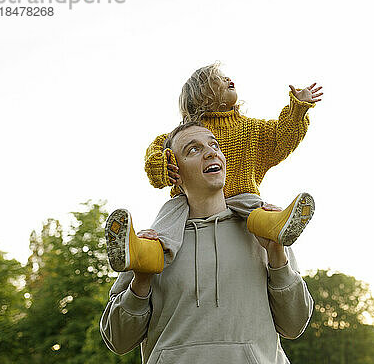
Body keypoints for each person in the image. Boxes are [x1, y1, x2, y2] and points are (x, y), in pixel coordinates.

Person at [100, 122, 314, 363]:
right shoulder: (154, 244)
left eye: (214, 145)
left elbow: (294, 325)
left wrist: (276, 254)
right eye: (193, 149)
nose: (211, 152)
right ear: (175, 172)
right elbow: (118, 340)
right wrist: (141, 280)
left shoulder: (266, 232)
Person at [105, 63, 323, 275]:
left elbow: (280, 139)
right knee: (167, 220)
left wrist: (298, 109)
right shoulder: (186, 134)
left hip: (242, 195)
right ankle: (141, 251)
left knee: (258, 209)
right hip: (190, 202)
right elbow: (156, 150)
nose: (228, 79)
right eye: (218, 78)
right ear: (201, 94)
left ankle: (277, 225)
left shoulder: (251, 129)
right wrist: (161, 165)